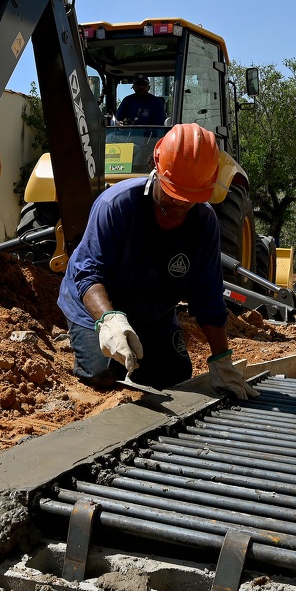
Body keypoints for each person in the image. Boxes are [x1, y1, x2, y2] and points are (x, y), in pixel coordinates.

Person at [56, 123, 258, 399]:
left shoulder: (204, 223)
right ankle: (92, 337)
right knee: (105, 372)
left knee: (174, 374)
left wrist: (222, 359)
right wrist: (109, 320)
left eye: (190, 198)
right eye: (174, 193)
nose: (180, 205)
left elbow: (208, 297)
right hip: (97, 306)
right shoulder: (116, 205)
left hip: (151, 311)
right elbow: (89, 274)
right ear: (156, 169)